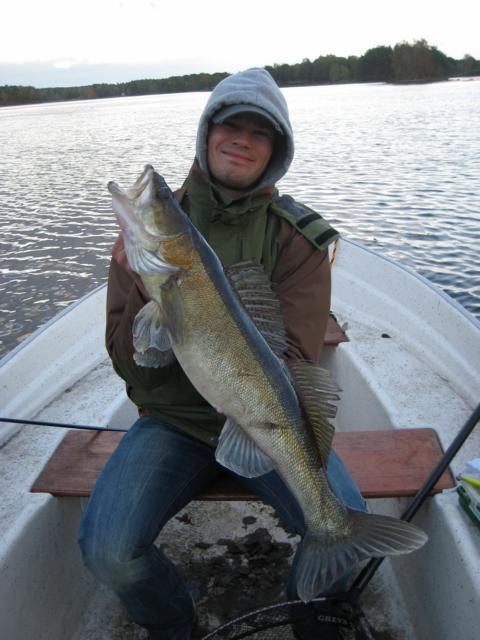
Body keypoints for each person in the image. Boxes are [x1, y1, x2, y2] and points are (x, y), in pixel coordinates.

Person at [78, 67, 366, 640]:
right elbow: (130, 366)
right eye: (229, 125)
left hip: (268, 422)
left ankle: (307, 611)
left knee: (344, 527)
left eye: (259, 132)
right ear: (207, 132)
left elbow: (295, 359)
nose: (241, 139)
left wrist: (239, 399)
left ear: (276, 151)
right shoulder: (144, 250)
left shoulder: (300, 239)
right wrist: (146, 289)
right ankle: (175, 623)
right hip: (175, 423)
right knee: (108, 551)